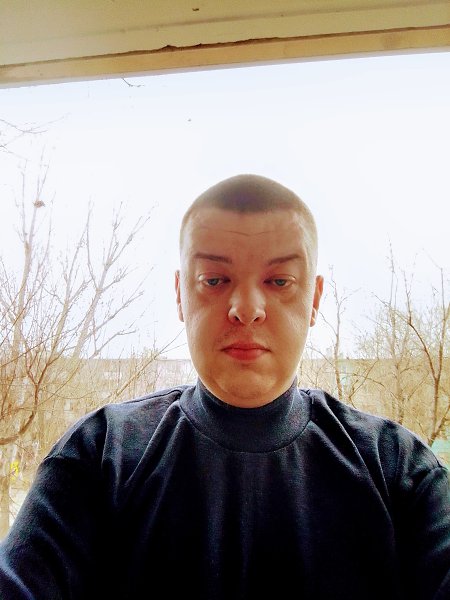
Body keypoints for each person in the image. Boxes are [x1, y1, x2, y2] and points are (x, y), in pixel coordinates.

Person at [0, 174, 449, 600]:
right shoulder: (99, 456)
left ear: (313, 300)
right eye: (214, 280)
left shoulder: (398, 470)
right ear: (181, 294)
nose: (247, 308)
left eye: (279, 281)